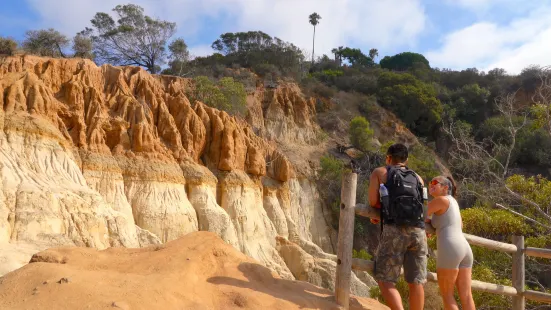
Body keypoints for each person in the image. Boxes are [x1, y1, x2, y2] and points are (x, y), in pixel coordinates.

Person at [368, 143, 428, 310]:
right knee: (416, 281)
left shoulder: (380, 172)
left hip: (395, 229)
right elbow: (424, 204)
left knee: (385, 279)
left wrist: (382, 212)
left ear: (388, 158)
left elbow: (373, 201)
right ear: (406, 160)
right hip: (418, 232)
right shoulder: (418, 178)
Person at [427, 176, 475, 310]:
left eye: (435, 182)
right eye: (430, 182)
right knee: (466, 295)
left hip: (450, 247)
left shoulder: (441, 200)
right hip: (464, 247)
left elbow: (418, 213)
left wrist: (428, 223)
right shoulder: (453, 202)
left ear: (445, 188)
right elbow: (460, 224)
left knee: (447, 294)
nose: (431, 184)